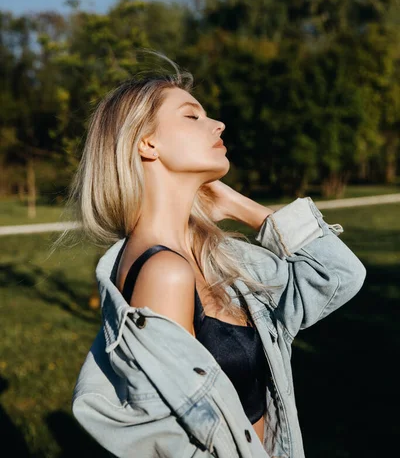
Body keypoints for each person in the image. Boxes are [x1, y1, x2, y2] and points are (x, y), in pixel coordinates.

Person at [67, 57, 366, 458]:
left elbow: (339, 276)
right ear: (147, 143)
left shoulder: (217, 256)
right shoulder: (163, 272)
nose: (217, 124)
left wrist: (244, 207)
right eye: (192, 116)